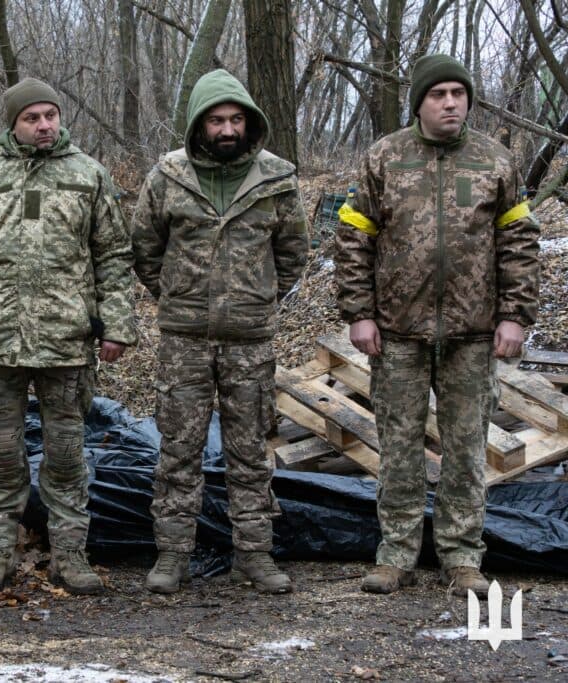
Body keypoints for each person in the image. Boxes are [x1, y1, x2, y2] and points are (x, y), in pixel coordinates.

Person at [335, 55, 540, 596]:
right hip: (397, 333)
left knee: (467, 448)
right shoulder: (385, 158)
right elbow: (355, 239)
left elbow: (518, 245)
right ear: (419, 102)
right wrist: (358, 312)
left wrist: (515, 316)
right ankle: (396, 553)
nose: (450, 103)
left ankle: (462, 555)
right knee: (398, 447)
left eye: (458, 93)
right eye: (438, 94)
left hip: (472, 336)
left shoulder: (494, 161)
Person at [0, 77, 136, 595]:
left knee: (67, 453)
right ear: (13, 123)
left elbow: (114, 256)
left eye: (51, 114)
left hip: (67, 342)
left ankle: (70, 555)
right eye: (33, 117)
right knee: (1, 453)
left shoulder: (88, 176)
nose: (45, 125)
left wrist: (116, 324)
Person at [132, 69, 310, 595]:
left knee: (251, 449)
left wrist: (255, 297)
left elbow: (294, 252)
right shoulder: (168, 176)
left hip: (250, 339)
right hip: (183, 338)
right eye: (217, 120)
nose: (227, 128)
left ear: (249, 124)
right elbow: (144, 247)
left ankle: (254, 555)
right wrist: (178, 295)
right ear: (199, 125)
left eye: (236, 119)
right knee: (179, 448)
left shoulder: (277, 178)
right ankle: (172, 556)